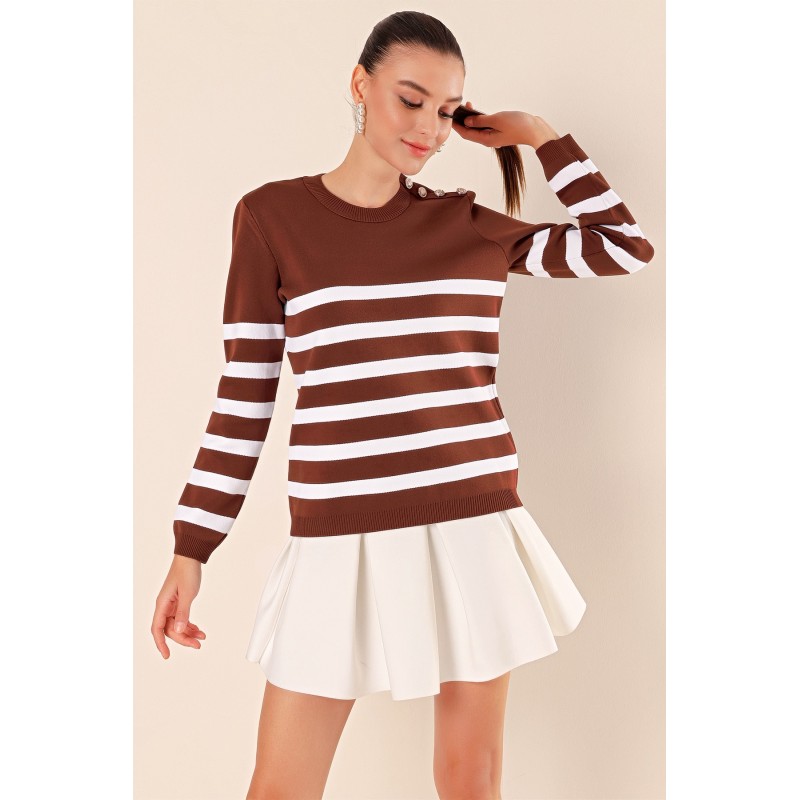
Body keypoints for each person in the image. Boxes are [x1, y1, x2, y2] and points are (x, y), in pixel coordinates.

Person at [150, 10, 655, 799]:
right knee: (280, 786)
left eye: (447, 111)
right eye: (410, 100)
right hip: (336, 533)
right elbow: (244, 396)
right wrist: (193, 547)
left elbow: (623, 247)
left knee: (469, 779)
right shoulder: (273, 219)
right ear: (360, 84)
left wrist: (541, 135)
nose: (428, 128)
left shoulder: (466, 225)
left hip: (472, 524)